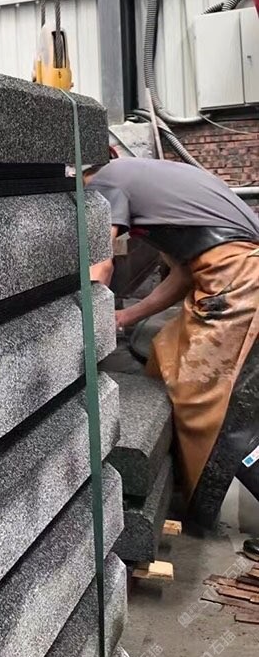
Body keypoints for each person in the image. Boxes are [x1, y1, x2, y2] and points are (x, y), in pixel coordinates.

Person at [84, 156, 259, 504]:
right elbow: (183, 276)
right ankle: (178, 485)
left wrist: (81, 326)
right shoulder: (151, 184)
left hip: (238, 280)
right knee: (166, 353)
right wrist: (124, 317)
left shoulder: (106, 181)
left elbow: (98, 267)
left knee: (204, 404)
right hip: (232, 273)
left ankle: (210, 488)